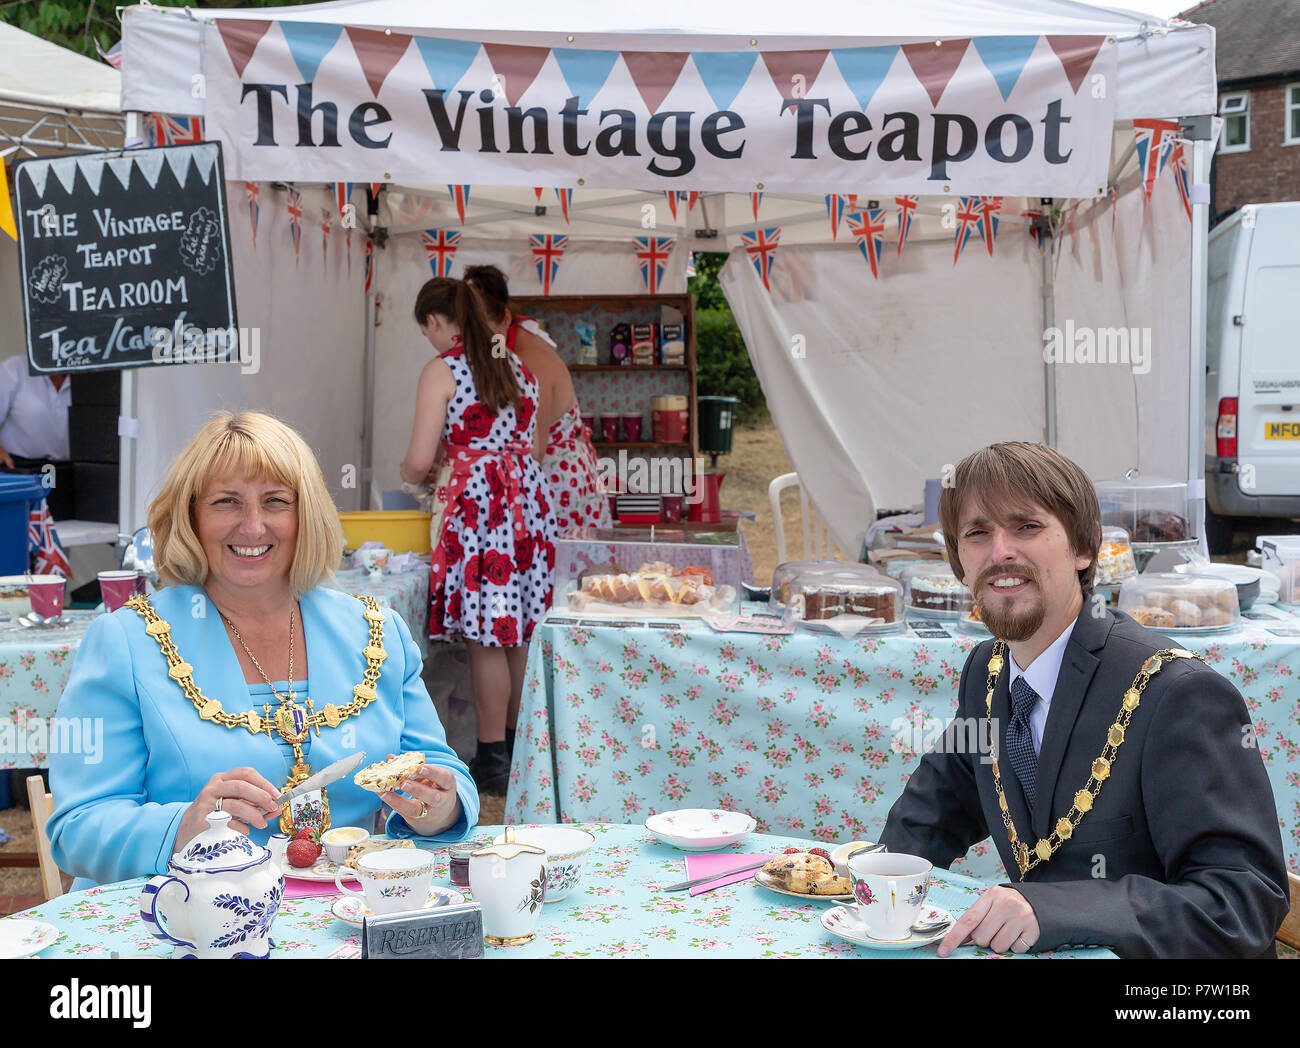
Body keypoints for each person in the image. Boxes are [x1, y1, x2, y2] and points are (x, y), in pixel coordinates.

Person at [879, 442, 1288, 958]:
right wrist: (872, 884)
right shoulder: (988, 671)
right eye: (978, 533)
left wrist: (1056, 909)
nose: (1000, 550)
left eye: (1026, 527)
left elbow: (1243, 901)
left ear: (1084, 547)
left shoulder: (1177, 693)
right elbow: (937, 810)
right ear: (960, 562)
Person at [47, 412, 478, 887]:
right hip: (178, 926)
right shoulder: (126, 642)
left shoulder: (378, 631)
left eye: (275, 501)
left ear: (305, 514)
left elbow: (442, 772)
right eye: (227, 502)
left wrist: (439, 809)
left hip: (344, 919)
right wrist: (180, 828)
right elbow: (76, 830)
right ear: (191, 516)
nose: (253, 527)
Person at [401, 277, 557, 793]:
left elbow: (420, 460)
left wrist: (414, 472)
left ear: (439, 321)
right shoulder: (521, 370)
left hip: (477, 509)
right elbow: (533, 450)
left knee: (488, 639)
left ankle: (491, 758)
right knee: (515, 635)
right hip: (527, 507)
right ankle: (516, 747)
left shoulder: (441, 370)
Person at [463, 265, 610, 535]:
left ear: (506, 318)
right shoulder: (507, 348)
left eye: (483, 331)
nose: (479, 342)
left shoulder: (529, 360)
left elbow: (535, 448)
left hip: (559, 485)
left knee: (566, 572)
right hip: (550, 479)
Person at [0, 356, 73, 518]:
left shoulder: (89, 373)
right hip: (20, 471)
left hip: (67, 472)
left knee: (65, 529)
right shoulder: (14, 369)